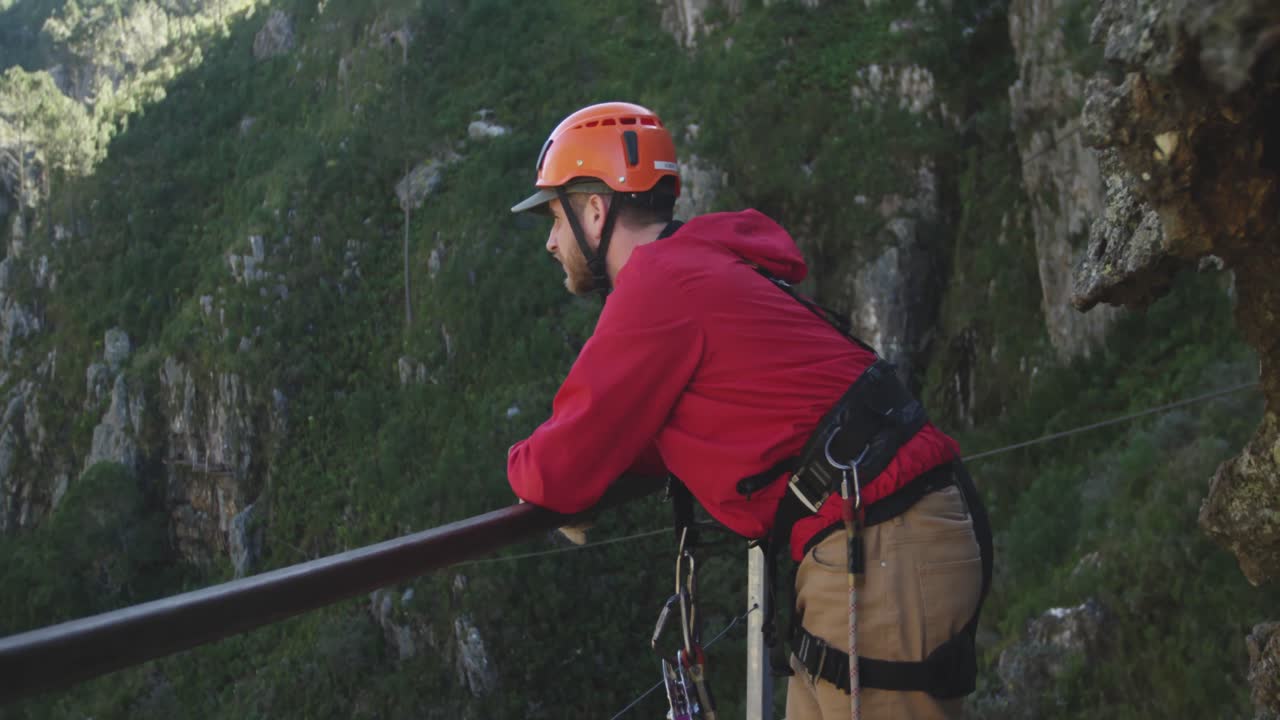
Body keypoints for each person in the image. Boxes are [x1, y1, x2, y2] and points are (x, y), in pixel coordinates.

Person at [506, 101, 988, 719]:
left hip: (879, 548)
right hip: (875, 537)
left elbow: (554, 470)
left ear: (595, 209)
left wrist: (524, 466)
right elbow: (684, 417)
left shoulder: (659, 288)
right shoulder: (704, 265)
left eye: (555, 215)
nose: (550, 240)